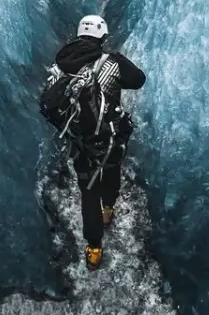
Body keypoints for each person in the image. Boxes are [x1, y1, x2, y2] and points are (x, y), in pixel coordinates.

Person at [54, 15, 146, 270]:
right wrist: (116, 62)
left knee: (88, 192)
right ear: (102, 38)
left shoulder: (61, 64)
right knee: (112, 170)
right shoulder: (112, 63)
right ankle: (109, 209)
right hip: (110, 137)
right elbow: (138, 80)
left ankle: (93, 248)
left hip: (79, 141)